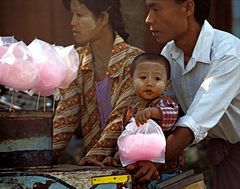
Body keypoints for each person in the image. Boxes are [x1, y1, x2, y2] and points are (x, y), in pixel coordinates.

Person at [126, 0, 240, 188]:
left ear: (187, 8)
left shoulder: (228, 53)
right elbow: (166, 111)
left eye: (156, 9)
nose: (148, 19)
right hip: (218, 153)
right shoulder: (170, 53)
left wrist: (155, 159)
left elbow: (194, 121)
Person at [53, 0, 143, 165]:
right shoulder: (76, 62)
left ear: (103, 18)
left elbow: (120, 119)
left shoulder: (135, 62)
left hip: (131, 164)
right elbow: (65, 118)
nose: (72, 22)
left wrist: (93, 157)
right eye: (72, 15)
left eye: (79, 14)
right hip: (94, 167)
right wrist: (40, 156)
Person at [122, 53, 183, 181]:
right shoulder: (129, 110)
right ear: (130, 81)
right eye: (143, 77)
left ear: (167, 84)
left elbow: (172, 115)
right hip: (137, 172)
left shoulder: (165, 103)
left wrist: (153, 112)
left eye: (157, 79)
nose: (149, 83)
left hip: (165, 173)